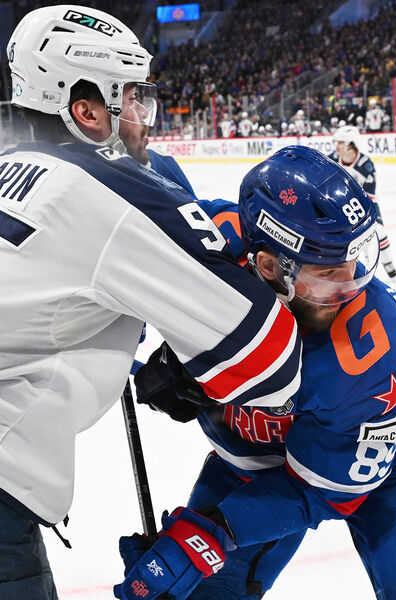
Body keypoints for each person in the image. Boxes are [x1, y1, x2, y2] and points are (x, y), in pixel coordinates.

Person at [0, 6, 302, 599]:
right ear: (87, 111)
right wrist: (186, 372)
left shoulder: (12, 163)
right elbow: (267, 357)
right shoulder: (109, 189)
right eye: (132, 97)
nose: (143, 115)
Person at [121, 145, 396, 600]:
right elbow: (124, 219)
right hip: (248, 460)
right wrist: (125, 329)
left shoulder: (369, 347)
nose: (350, 288)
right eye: (329, 274)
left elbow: (324, 490)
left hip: (376, 460)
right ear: (268, 266)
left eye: (354, 264)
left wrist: (215, 529)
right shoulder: (207, 247)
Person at [329, 125, 396, 279]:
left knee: (378, 232)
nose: (337, 146)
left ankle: (387, 262)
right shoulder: (332, 160)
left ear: (350, 144)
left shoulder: (366, 165)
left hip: (365, 203)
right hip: (339, 204)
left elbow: (369, 196)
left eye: (340, 143)